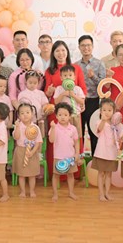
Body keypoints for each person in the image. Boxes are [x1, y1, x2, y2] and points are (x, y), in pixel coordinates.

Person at [44, 41, 87, 176]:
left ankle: (74, 172)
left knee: (74, 138)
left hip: (73, 112)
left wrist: (81, 102)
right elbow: (47, 93)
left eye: (63, 50)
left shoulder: (76, 68)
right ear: (53, 54)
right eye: (57, 51)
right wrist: (49, 92)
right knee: (57, 139)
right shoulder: (49, 71)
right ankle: (57, 171)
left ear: (67, 52)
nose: (60, 53)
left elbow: (82, 89)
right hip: (57, 111)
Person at [76, 35, 106, 155]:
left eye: (88, 45)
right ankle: (79, 158)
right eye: (83, 45)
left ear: (92, 46)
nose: (86, 48)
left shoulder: (99, 63)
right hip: (79, 102)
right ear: (79, 47)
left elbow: (103, 85)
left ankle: (95, 159)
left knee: (94, 131)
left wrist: (93, 77)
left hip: (93, 101)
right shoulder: (75, 65)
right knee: (79, 131)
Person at [49, 103, 81, 202]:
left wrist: (77, 154)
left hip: (70, 157)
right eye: (60, 115)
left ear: (70, 116)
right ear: (56, 116)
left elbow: (76, 142)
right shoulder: (55, 127)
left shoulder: (73, 128)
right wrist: (53, 128)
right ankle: (55, 194)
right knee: (56, 175)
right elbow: (51, 140)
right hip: (58, 156)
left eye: (65, 115)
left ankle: (71, 193)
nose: (63, 117)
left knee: (70, 175)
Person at [92, 99, 120, 202]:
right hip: (101, 153)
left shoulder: (115, 125)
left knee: (109, 174)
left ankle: (107, 193)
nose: (107, 112)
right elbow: (99, 130)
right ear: (100, 111)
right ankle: (101, 194)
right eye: (104, 110)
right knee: (101, 174)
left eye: (109, 110)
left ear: (113, 111)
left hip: (112, 154)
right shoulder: (99, 122)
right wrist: (103, 120)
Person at [12, 103, 42, 198]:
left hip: (32, 152)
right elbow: (16, 137)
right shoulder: (18, 126)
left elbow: (38, 142)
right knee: (21, 174)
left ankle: (32, 191)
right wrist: (17, 127)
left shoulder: (35, 127)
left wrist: (32, 152)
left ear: (32, 114)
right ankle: (22, 191)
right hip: (20, 151)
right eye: (22, 113)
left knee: (32, 174)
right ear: (19, 116)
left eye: (27, 112)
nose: (25, 115)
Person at [53, 65, 85, 143]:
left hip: (76, 115)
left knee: (76, 136)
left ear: (74, 77)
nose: (68, 77)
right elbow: (56, 102)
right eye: (65, 75)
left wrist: (74, 96)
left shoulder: (77, 89)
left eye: (70, 75)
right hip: (63, 116)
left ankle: (76, 149)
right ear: (61, 78)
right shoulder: (59, 89)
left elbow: (82, 102)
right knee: (64, 136)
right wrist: (63, 94)